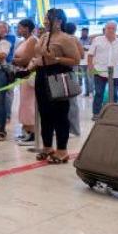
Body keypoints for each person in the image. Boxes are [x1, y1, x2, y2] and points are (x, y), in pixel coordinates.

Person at [31, 10, 82, 163]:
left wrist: (57, 58)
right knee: (44, 113)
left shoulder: (66, 38)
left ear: (59, 21)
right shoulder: (44, 36)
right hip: (41, 74)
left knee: (60, 114)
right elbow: (38, 56)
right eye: (45, 18)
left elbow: (76, 60)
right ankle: (47, 147)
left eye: (48, 19)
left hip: (58, 75)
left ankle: (62, 150)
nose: (45, 21)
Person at [88, 21, 118, 118]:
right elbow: (90, 55)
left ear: (115, 30)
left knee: (114, 94)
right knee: (98, 93)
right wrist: (91, 68)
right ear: (104, 29)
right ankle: (96, 113)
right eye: (108, 28)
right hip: (99, 72)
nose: (110, 30)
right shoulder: (97, 40)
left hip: (115, 73)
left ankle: (113, 113)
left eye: (112, 28)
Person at [12, 18, 38, 146]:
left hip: (29, 75)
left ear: (27, 28)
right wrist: (17, 59)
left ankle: (33, 134)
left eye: (19, 27)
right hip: (23, 75)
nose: (18, 30)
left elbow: (25, 59)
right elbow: (19, 58)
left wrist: (14, 60)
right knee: (24, 103)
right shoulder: (25, 41)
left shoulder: (33, 40)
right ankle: (26, 130)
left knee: (29, 104)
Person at [78, 27, 93, 96]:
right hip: (81, 62)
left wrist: (85, 48)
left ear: (87, 32)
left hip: (89, 62)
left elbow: (92, 50)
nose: (83, 33)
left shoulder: (91, 40)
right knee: (84, 78)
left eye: (85, 32)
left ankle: (91, 92)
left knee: (90, 78)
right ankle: (86, 92)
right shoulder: (78, 40)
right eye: (82, 32)